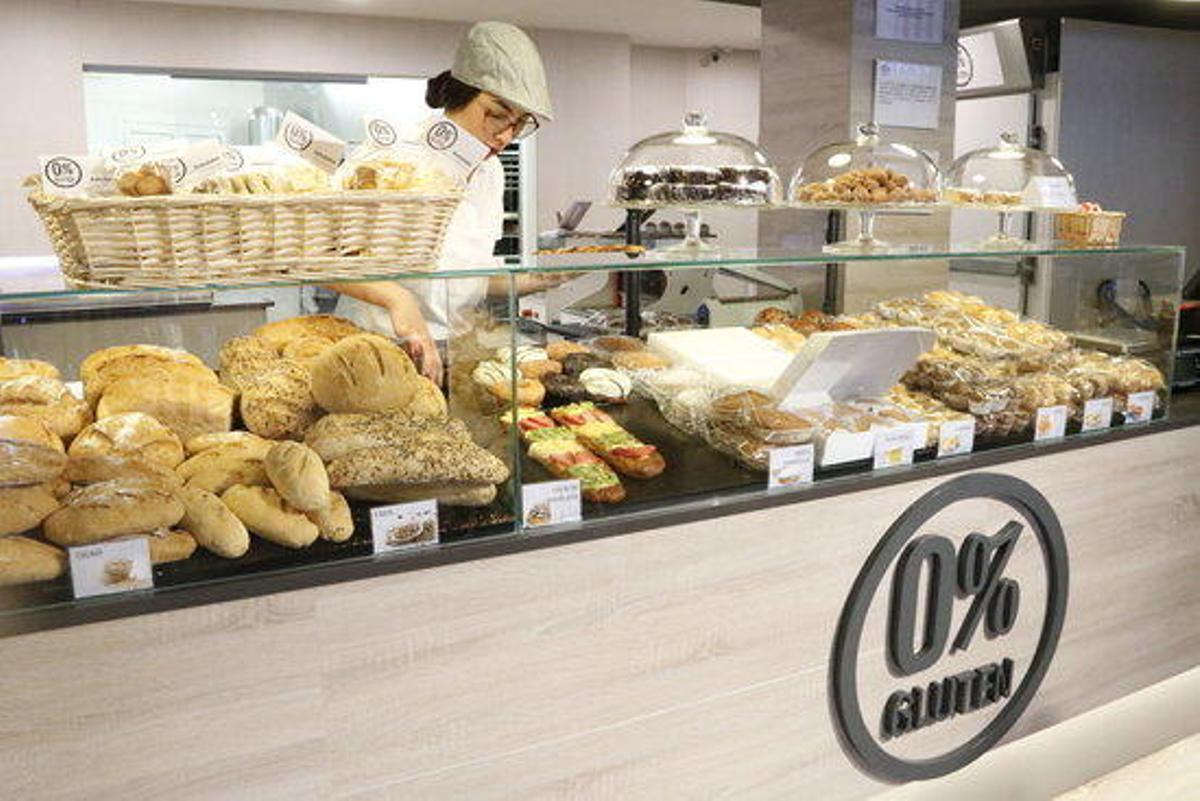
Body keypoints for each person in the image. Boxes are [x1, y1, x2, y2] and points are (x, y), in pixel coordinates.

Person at [333, 21, 563, 384]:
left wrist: (539, 280)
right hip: (377, 349)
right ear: (459, 94)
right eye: (497, 114)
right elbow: (324, 258)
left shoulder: (491, 173)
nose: (506, 136)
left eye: (520, 124)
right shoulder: (391, 157)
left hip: (455, 352)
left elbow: (466, 276)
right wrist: (397, 299)